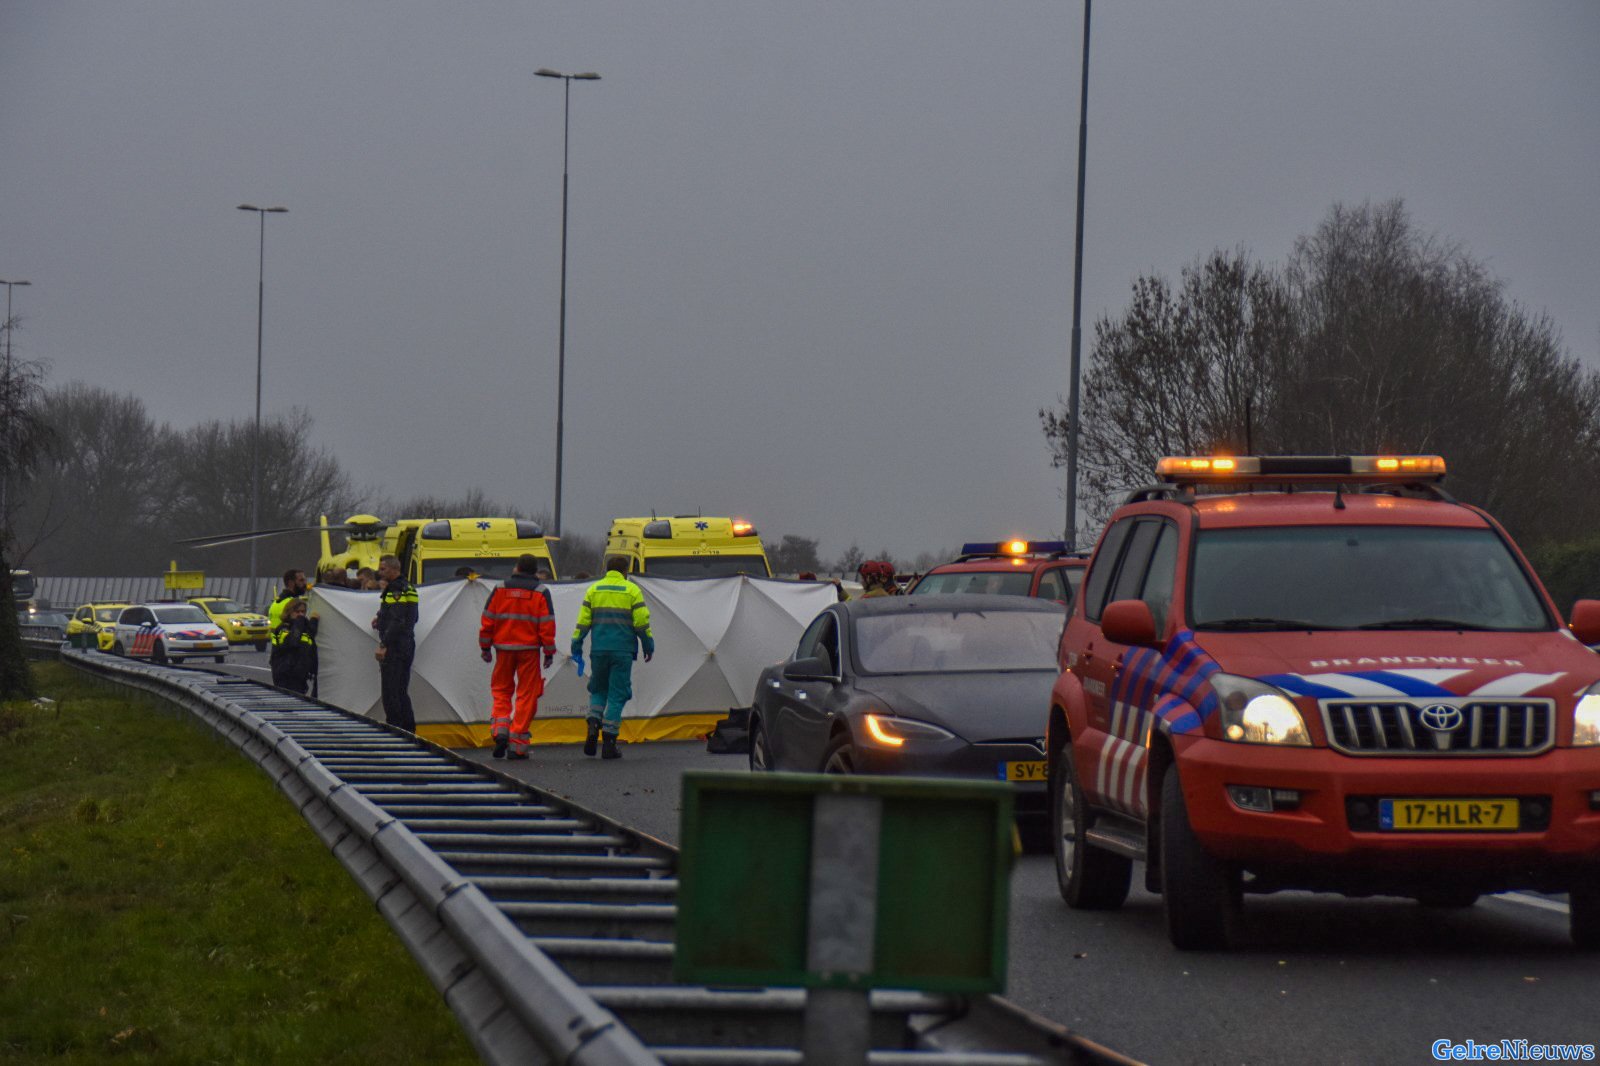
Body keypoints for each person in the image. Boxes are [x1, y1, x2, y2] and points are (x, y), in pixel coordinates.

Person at [570, 555, 654, 760]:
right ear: (625, 571)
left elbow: (583, 623)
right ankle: (609, 742)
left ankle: (592, 722)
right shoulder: (632, 590)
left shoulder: (594, 590)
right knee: (617, 694)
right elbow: (641, 621)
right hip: (622, 652)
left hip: (598, 650)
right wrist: (648, 644)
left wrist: (576, 645)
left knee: (598, 690)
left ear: (608, 569)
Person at [478, 554, 557, 760]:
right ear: (534, 570)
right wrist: (548, 652)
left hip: (503, 649)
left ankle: (500, 729)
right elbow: (547, 625)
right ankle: (518, 744)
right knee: (526, 694)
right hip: (529, 650)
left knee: (501, 690)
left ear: (517, 568)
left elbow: (488, 619)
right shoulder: (541, 592)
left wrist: (485, 647)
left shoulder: (500, 589)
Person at [373, 554, 419, 732]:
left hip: (395, 646)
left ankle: (395, 732)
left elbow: (397, 620)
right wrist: (380, 617)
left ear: (394, 569)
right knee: (401, 690)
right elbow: (411, 617)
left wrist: (384, 644)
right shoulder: (409, 588)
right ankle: (409, 731)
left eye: (383, 568)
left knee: (391, 692)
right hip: (407, 644)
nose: (379, 571)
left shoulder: (395, 590)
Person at [270, 597, 319, 694]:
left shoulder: (302, 628)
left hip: (300, 677)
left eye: (303, 612)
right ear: (289, 612)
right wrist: (300, 621)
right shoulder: (283, 628)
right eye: (297, 612)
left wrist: (313, 621)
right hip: (285, 677)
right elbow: (293, 641)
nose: (301, 615)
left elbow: (310, 642)